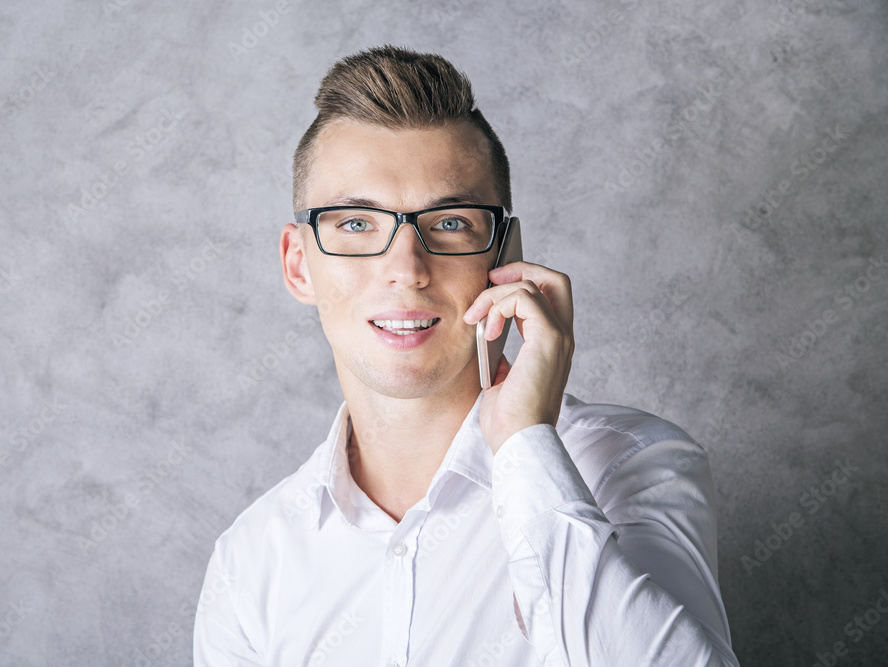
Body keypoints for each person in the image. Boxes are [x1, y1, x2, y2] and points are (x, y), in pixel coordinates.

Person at [193, 44, 739, 666]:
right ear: (299, 265)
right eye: (354, 223)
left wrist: (524, 441)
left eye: (450, 222)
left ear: (506, 259)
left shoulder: (634, 466)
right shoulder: (250, 561)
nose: (405, 270)